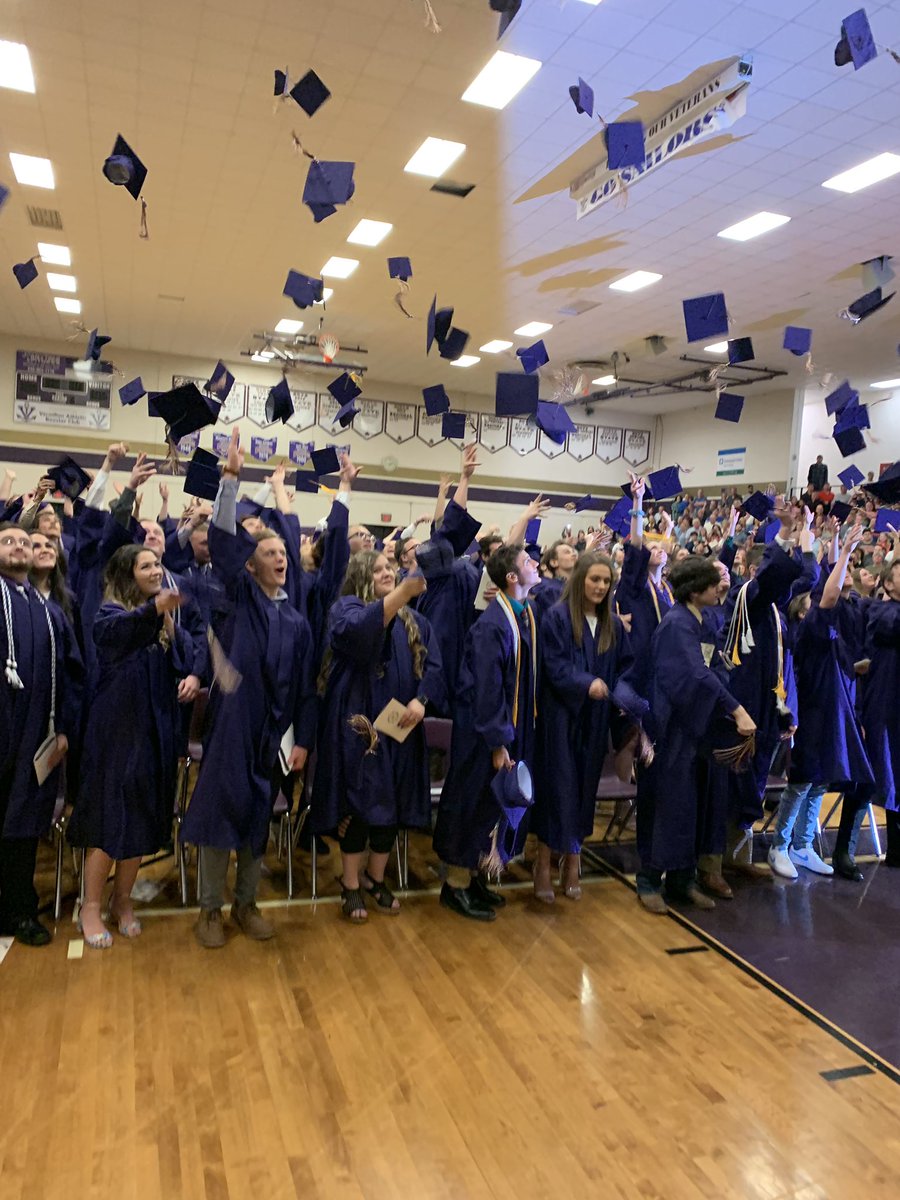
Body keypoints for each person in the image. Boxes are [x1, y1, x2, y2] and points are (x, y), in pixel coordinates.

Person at [181, 429, 317, 948]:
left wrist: (301, 738)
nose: (280, 558)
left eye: (284, 551)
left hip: (274, 734)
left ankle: (247, 903)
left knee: (259, 817)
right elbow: (219, 542)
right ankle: (210, 910)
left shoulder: (298, 621)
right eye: (269, 551)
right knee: (221, 810)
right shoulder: (237, 598)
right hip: (234, 728)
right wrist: (231, 480)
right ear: (252, 562)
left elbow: (306, 686)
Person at [68, 545, 193, 947]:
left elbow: (183, 659)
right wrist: (156, 609)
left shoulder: (160, 618)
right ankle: (90, 905)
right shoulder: (110, 614)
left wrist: (169, 620)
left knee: (142, 816)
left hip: (154, 731)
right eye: (146, 565)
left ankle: (122, 900)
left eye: (158, 564)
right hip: (116, 733)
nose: (156, 570)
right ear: (127, 573)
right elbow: (118, 636)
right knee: (110, 818)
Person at [312, 552, 444, 921]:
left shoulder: (415, 621)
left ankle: (375, 878)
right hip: (361, 728)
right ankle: (350, 882)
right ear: (360, 576)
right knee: (360, 806)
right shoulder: (346, 609)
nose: (387, 572)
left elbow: (435, 666)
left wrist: (421, 700)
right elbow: (360, 633)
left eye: (391, 568)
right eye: (378, 569)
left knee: (392, 807)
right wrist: (401, 592)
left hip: (401, 726)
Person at [636, 556, 756, 914]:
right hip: (671, 731)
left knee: (692, 808)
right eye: (712, 583)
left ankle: (681, 880)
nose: (720, 587)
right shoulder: (676, 625)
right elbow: (693, 675)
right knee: (667, 806)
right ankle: (649, 880)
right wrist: (736, 709)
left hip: (697, 731)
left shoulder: (702, 622)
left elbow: (715, 668)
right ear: (695, 589)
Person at [433, 542, 540, 921]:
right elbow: (487, 689)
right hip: (482, 735)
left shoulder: (521, 615)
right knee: (470, 805)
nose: (536, 563)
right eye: (529, 561)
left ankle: (477, 878)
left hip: (505, 730)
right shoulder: (492, 625)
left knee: (489, 809)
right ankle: (456, 885)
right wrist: (498, 741)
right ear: (512, 577)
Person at [768, 522, 873, 879]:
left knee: (820, 782)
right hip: (811, 715)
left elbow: (831, 587)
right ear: (802, 609)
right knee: (801, 784)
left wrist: (835, 551)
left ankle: (802, 845)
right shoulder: (810, 630)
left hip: (833, 716)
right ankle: (779, 845)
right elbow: (828, 594)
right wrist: (843, 552)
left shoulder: (828, 631)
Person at [532, 552, 635, 902]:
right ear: (580, 579)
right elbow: (555, 666)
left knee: (583, 792)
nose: (600, 587)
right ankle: (543, 863)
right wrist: (586, 683)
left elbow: (625, 669)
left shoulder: (613, 625)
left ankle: (573, 860)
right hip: (560, 717)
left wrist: (625, 696)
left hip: (594, 721)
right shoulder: (558, 617)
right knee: (557, 791)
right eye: (594, 579)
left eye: (606, 581)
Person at [0, 524, 79, 945]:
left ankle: (19, 910)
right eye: (8, 541)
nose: (19, 548)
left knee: (23, 829)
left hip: (33, 734)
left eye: (26, 543)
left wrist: (64, 728)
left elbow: (71, 674)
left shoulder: (49, 613)